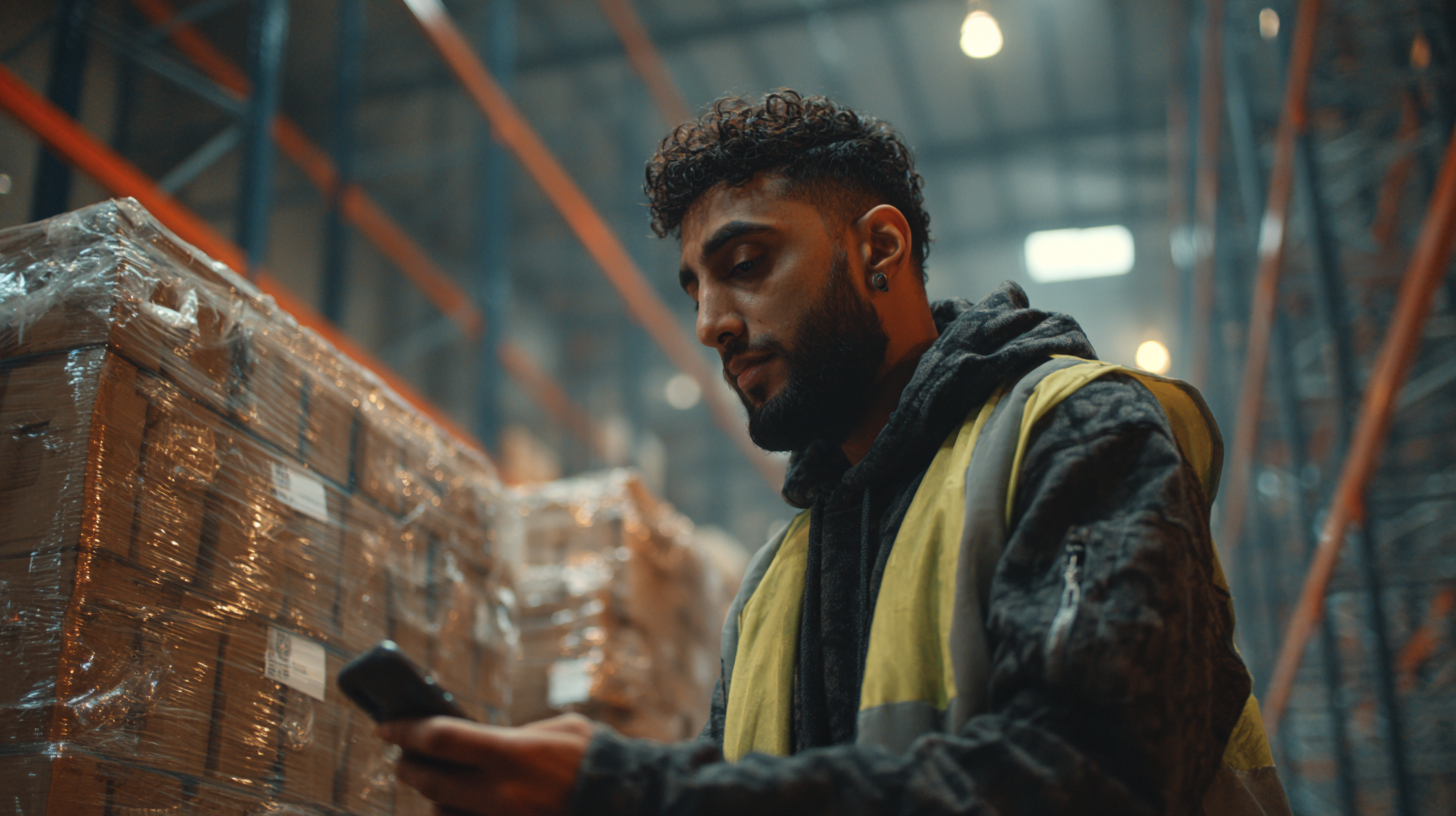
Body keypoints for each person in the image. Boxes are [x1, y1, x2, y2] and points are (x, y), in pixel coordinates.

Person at [377, 90, 1292, 816]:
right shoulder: (775, 582)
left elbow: (1088, 778)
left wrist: (629, 793)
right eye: (694, 288)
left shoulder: (1073, 433)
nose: (709, 325)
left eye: (746, 265)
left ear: (880, 250)